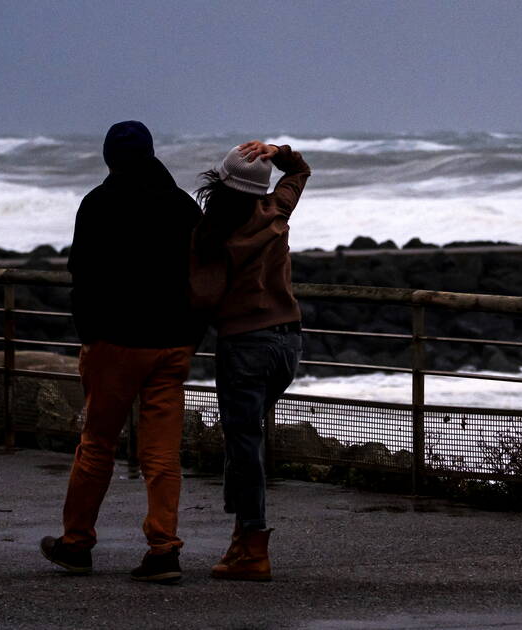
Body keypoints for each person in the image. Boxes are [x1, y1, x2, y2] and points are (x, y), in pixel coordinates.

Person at [40, 121, 203, 584]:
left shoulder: (97, 204)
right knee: (162, 453)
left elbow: (82, 277)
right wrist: (192, 337)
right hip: (171, 345)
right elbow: (201, 276)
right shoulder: (181, 206)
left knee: (97, 444)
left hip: (114, 345)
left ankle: (76, 544)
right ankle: (164, 549)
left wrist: (89, 333)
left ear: (109, 158)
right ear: (152, 153)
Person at [190, 140, 310, 581]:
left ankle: (254, 544)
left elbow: (201, 297)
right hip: (287, 344)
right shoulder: (275, 211)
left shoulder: (211, 233)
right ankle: (241, 539)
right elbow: (300, 173)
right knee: (245, 441)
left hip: (243, 345)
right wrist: (278, 151)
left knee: (244, 444)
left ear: (221, 184)